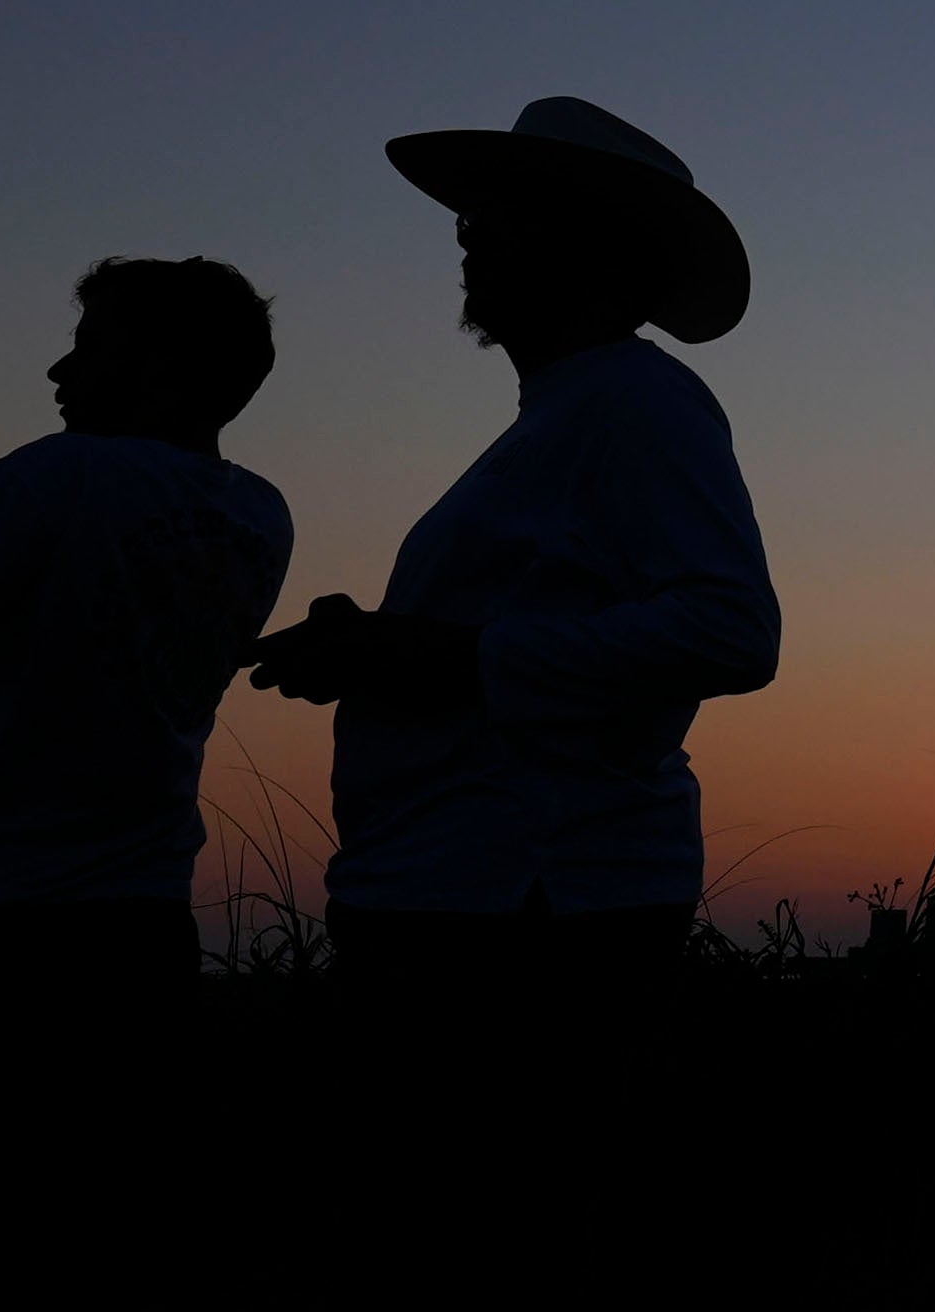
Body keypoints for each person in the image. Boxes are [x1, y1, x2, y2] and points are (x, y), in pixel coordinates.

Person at [249, 95, 779, 1019]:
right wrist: (381, 645)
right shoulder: (578, 410)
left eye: (501, 216)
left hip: (525, 908)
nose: (469, 240)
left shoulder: (634, 402)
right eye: (471, 216)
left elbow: (731, 631)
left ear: (593, 250)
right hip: (483, 894)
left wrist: (441, 656)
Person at [0, 257, 295, 1011]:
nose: (58, 368)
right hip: (140, 933)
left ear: (160, 367)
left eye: (91, 344)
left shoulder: (63, 474)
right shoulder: (258, 518)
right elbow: (3, 546)